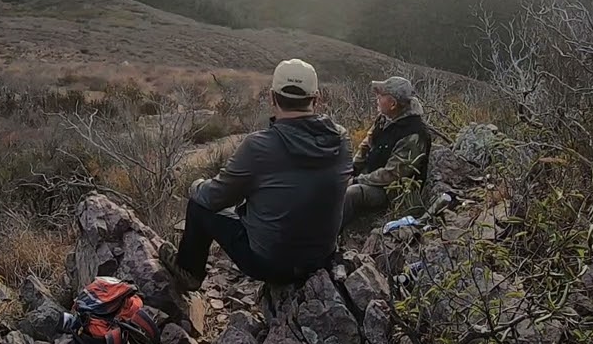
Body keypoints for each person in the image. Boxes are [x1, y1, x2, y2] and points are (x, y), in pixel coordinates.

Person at [157, 58, 353, 291]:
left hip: (271, 265)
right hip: (322, 258)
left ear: (272, 97)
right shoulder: (341, 139)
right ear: (317, 98)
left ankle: (189, 272)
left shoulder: (259, 146)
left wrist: (196, 185)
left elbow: (215, 198)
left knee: (199, 206)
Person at [341, 76, 432, 230]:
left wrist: (357, 181)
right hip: (372, 177)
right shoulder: (384, 119)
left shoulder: (413, 134)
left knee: (350, 194)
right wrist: (350, 171)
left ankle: (328, 236)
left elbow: (392, 175)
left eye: (381, 96)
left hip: (391, 192)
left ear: (393, 104)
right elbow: (366, 146)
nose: (377, 98)